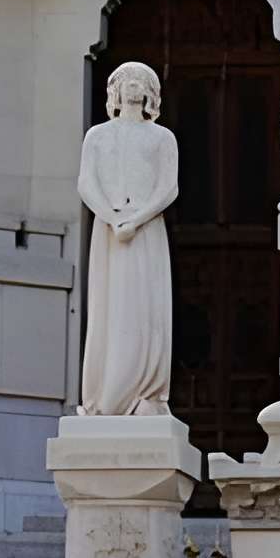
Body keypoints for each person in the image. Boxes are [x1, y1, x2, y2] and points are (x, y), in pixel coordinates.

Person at [77, 60, 179, 418]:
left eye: (141, 81)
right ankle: (107, 395)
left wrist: (137, 219)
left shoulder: (162, 137)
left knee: (144, 307)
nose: (134, 86)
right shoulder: (97, 136)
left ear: (151, 94)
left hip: (145, 231)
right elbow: (86, 183)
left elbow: (169, 187)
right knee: (110, 307)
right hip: (110, 233)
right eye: (127, 80)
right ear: (114, 91)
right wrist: (111, 216)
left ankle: (145, 394)